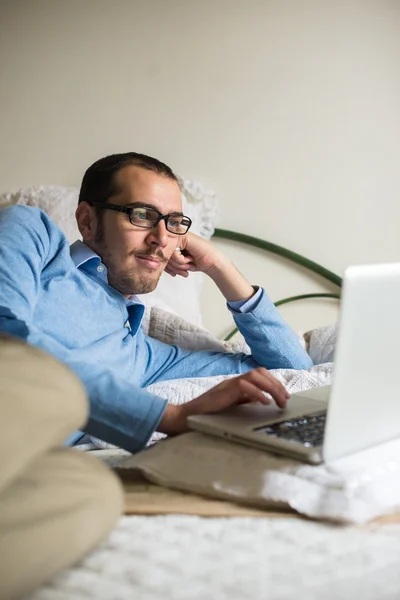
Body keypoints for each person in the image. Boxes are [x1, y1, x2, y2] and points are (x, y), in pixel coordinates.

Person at [0, 152, 313, 452]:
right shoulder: (31, 231)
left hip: (21, 465)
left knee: (99, 488)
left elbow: (294, 374)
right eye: (142, 215)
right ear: (88, 221)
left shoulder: (144, 355)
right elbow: (8, 335)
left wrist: (220, 267)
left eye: (175, 223)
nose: (162, 238)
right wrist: (169, 417)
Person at [0, 333, 123, 600]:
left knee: (93, 486)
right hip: (27, 376)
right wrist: (165, 415)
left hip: (41, 452)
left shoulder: (150, 351)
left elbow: (238, 366)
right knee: (53, 382)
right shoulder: (37, 291)